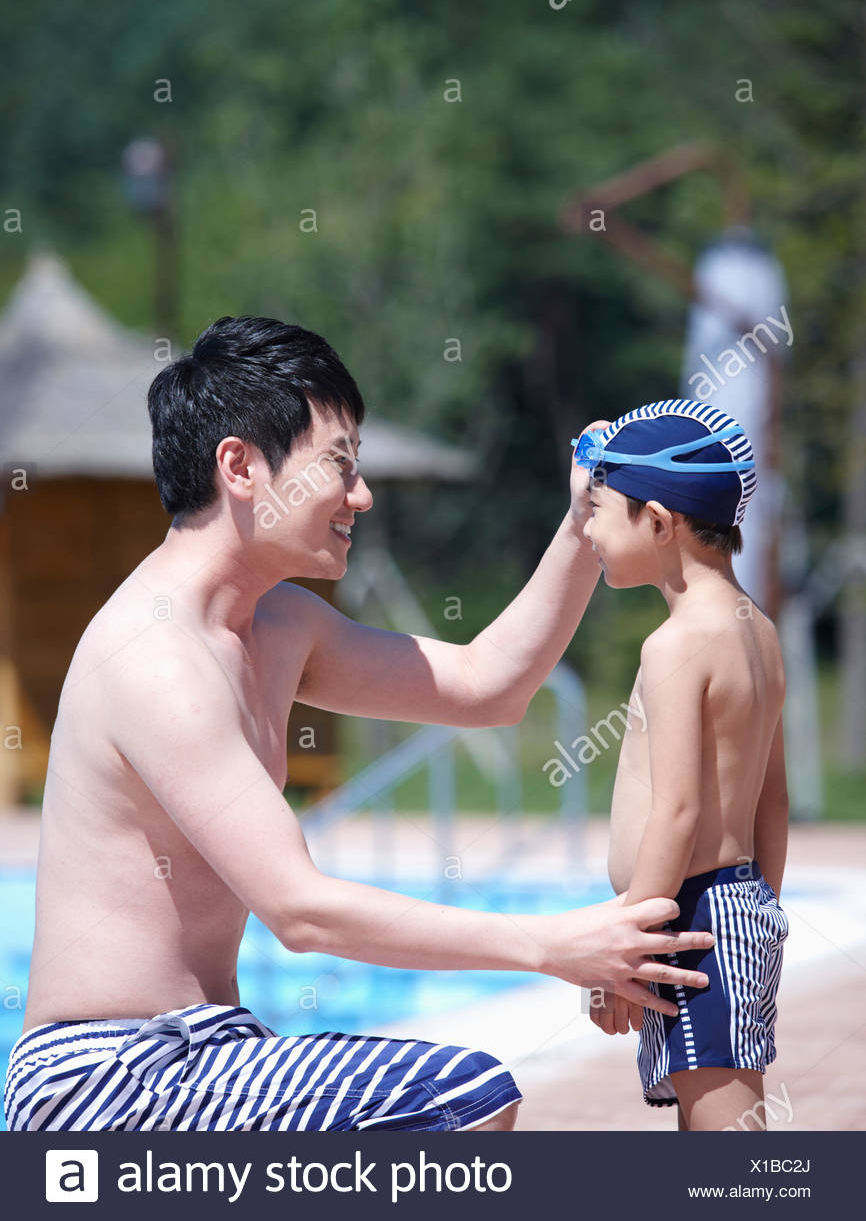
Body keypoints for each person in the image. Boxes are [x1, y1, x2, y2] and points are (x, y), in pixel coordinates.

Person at [4, 322, 715, 1133]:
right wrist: (551, 944)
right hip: (102, 1077)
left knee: (451, 1100)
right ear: (240, 467)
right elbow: (301, 912)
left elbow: (490, 686)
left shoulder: (277, 625)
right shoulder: (157, 658)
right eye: (338, 463)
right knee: (460, 1099)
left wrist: (587, 517)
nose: (362, 494)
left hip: (198, 1051)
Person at [579, 399, 789, 1132]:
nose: (587, 531)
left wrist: (629, 957)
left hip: (690, 920)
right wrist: (759, 918)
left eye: (599, 510)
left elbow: (678, 811)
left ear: (659, 522)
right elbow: (773, 803)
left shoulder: (675, 646)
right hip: (728, 909)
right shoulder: (756, 631)